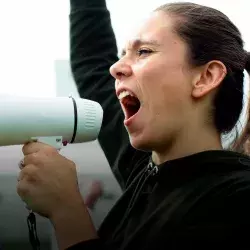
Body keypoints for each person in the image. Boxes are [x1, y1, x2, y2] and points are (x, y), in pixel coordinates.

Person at [16, 0, 250, 249]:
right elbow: (92, 65)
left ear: (206, 77)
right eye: (122, 55)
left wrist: (68, 213)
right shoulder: (147, 170)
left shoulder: (237, 198)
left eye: (144, 52)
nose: (115, 68)